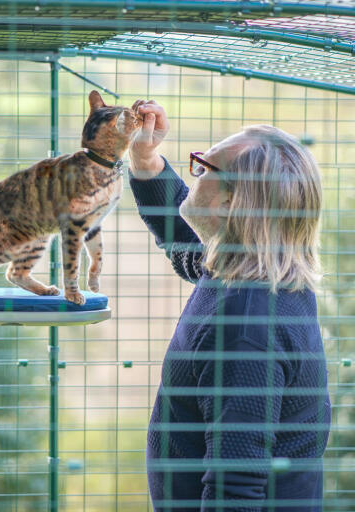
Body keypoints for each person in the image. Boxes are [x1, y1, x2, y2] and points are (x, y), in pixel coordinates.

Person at [128, 100, 331, 512]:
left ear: (230, 204)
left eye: (203, 167)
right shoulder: (248, 270)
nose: (196, 171)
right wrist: (144, 158)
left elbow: (235, 488)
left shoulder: (245, 325)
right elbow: (185, 241)